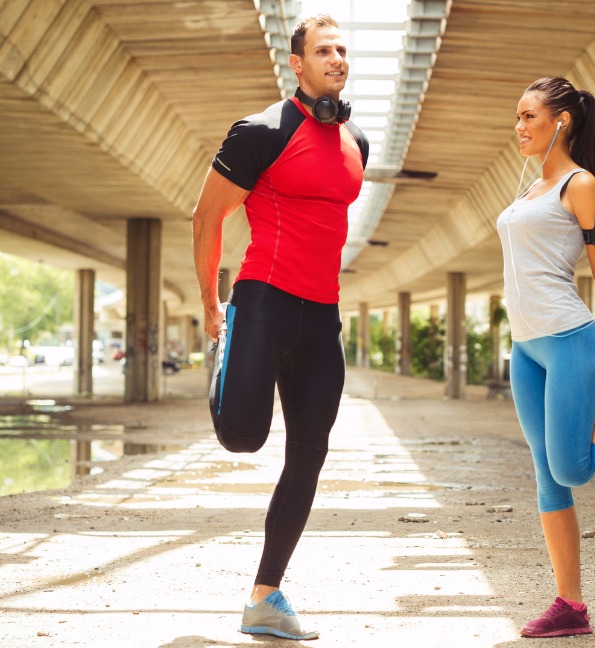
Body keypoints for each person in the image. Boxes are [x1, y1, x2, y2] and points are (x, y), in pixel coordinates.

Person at [191, 13, 367, 641]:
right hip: (261, 299)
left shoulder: (357, 144)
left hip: (322, 315)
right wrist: (212, 304)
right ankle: (228, 361)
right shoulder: (260, 132)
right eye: (324, 50)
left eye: (343, 49)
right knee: (244, 438)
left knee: (310, 453)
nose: (336, 58)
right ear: (297, 64)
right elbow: (206, 216)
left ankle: (266, 596)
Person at [495, 76, 595, 638]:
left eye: (529, 116)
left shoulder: (582, 186)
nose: (519, 127)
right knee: (546, 479)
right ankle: (571, 606)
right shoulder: (530, 189)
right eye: (517, 116)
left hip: (568, 339)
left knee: (572, 468)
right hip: (525, 347)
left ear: (562, 121)